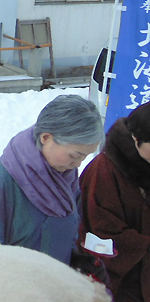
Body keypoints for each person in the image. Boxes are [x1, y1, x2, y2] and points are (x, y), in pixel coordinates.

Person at [0, 94, 104, 265]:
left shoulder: (65, 175)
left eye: (85, 157)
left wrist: (77, 260)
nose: (78, 164)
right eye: (75, 155)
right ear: (46, 138)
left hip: (54, 284)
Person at [79, 103, 150, 300]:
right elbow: (99, 228)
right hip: (124, 279)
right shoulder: (104, 169)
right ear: (136, 138)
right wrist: (143, 245)